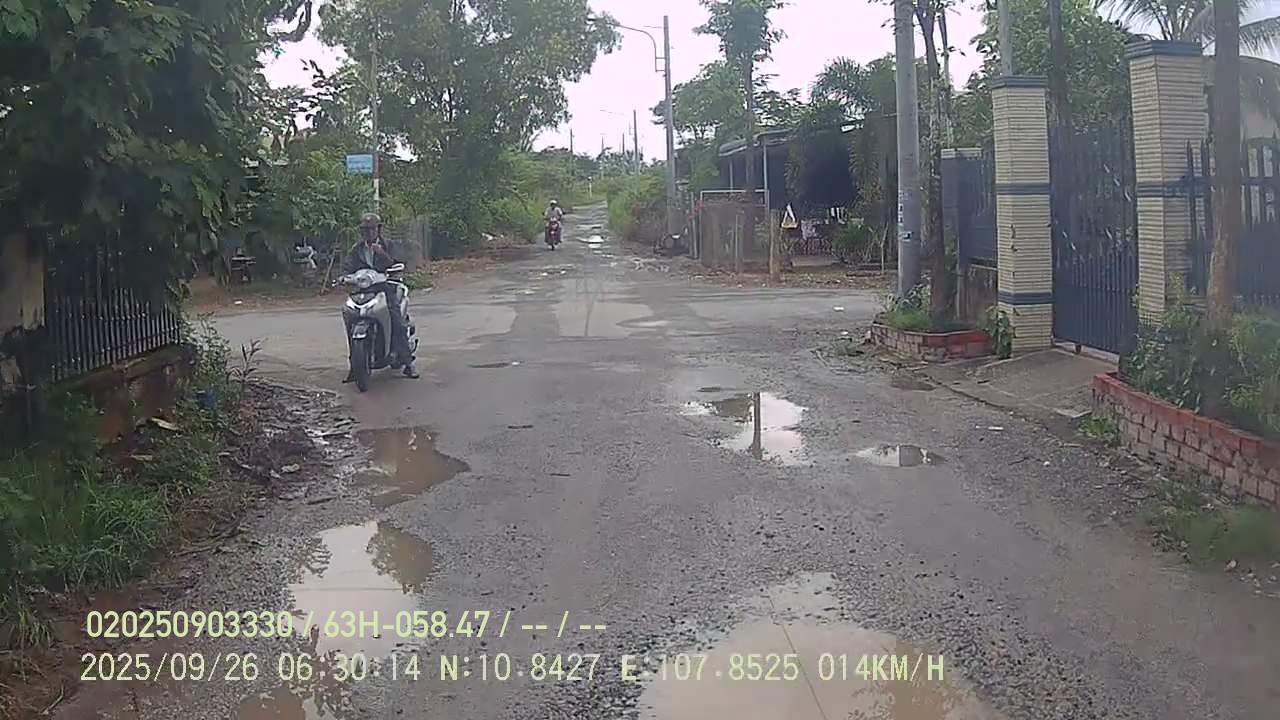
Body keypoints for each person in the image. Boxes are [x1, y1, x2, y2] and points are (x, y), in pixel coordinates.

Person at [342, 212, 418, 380]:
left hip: (386, 288)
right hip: (363, 290)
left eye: (372, 229)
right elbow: (347, 267)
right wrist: (344, 277)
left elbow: (398, 262)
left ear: (378, 229)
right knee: (350, 316)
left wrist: (383, 253)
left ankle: (408, 363)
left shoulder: (388, 245)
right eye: (365, 230)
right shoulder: (357, 249)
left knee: (396, 321)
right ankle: (355, 366)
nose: (369, 233)